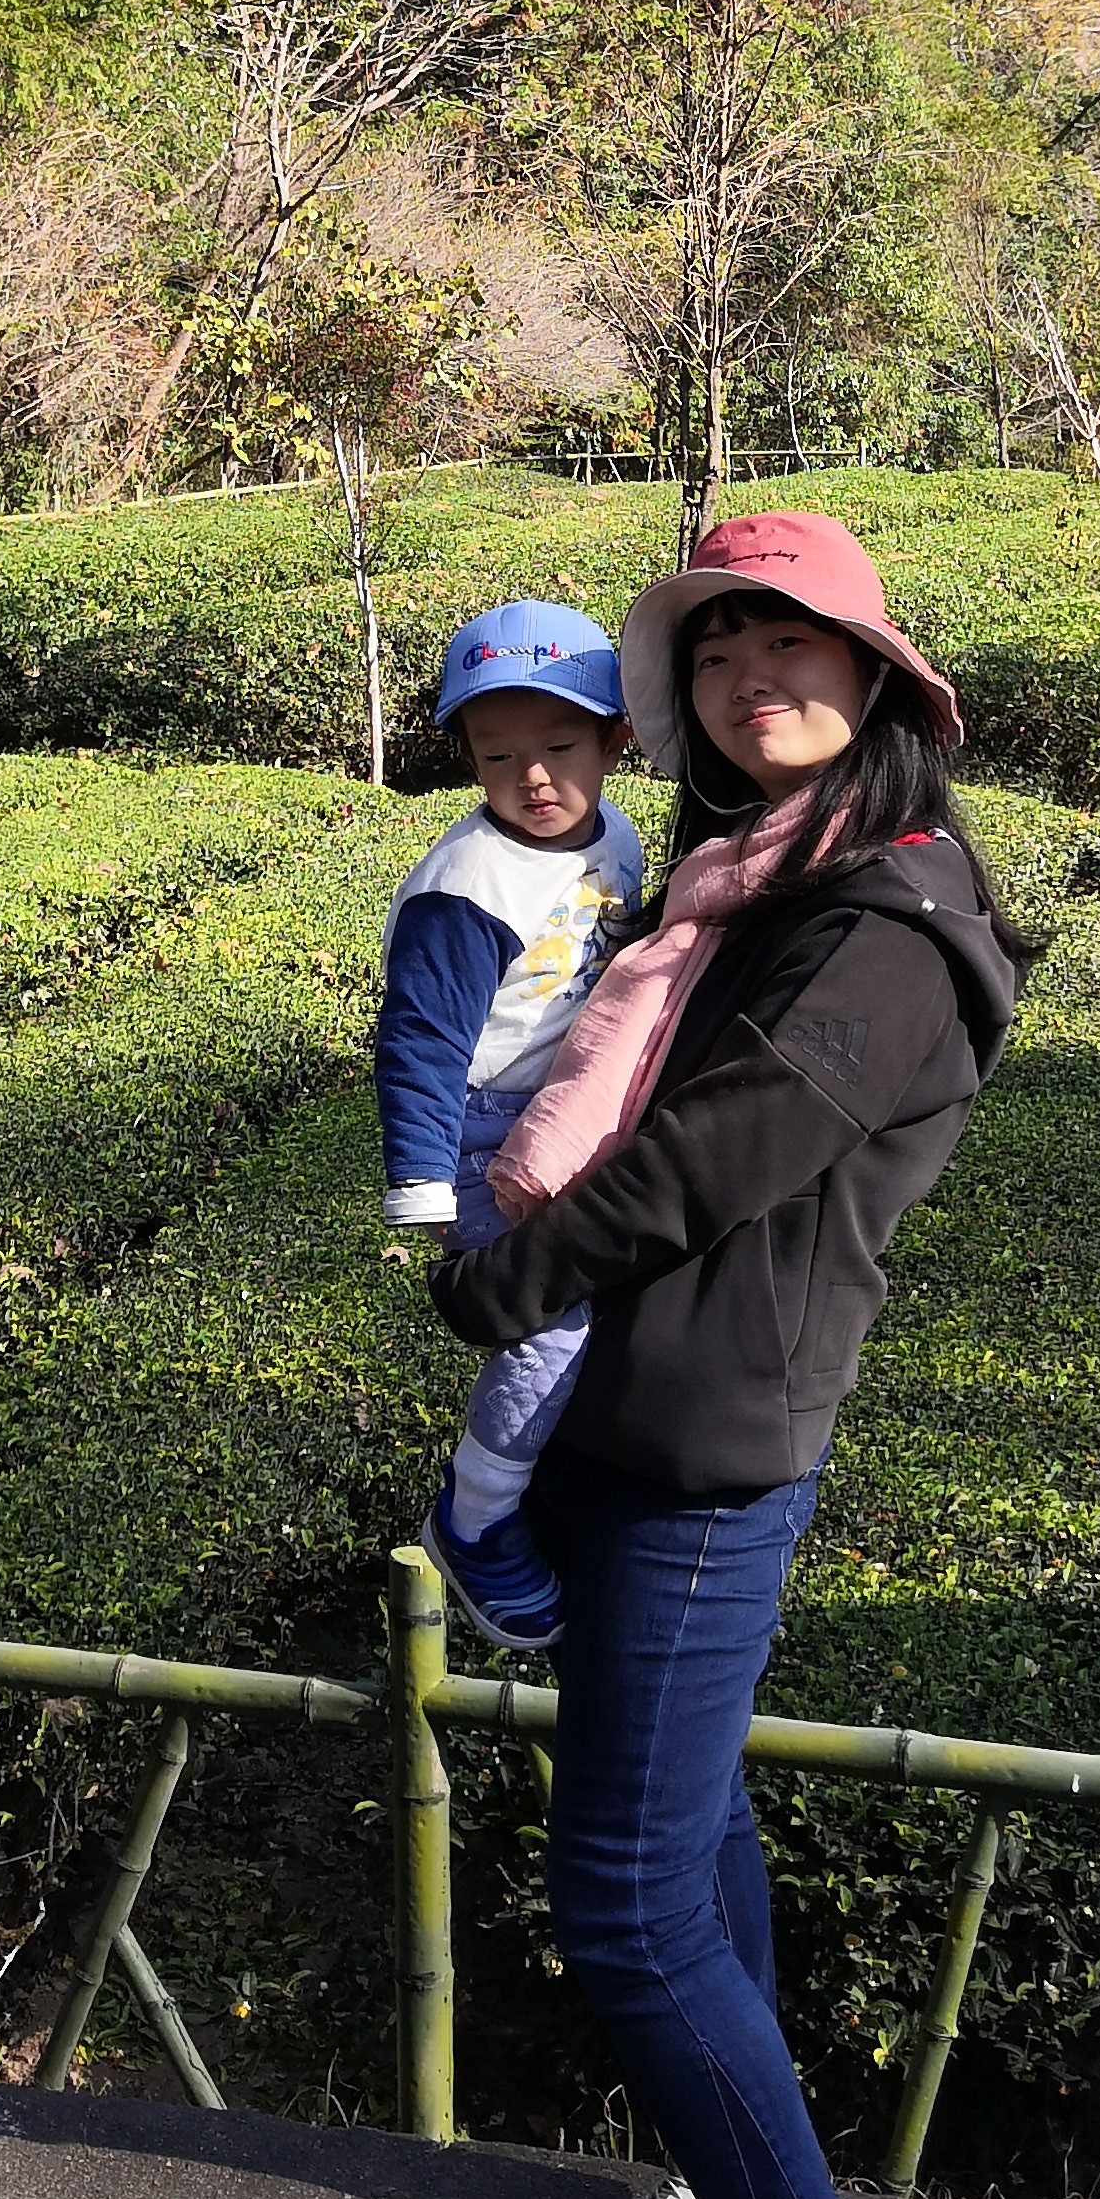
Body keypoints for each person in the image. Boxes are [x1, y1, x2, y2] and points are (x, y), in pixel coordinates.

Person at [428, 507, 1020, 2199]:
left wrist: (503, 1276)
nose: (751, 677)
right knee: (688, 1843)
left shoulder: (891, 918)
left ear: (875, 676)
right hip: (628, 1411)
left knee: (624, 1905)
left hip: (705, 1451)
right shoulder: (756, 872)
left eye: (794, 644)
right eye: (715, 648)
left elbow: (722, 1147)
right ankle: (715, 2180)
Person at [374, 599, 644, 1650]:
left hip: (568, 1107)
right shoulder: (468, 887)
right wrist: (423, 1186)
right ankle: (476, 1520)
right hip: (482, 1132)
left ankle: (545, 1471)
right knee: (549, 1321)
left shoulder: (616, 836)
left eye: (560, 747)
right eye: (498, 755)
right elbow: (421, 1038)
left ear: (616, 741)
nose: (532, 776)